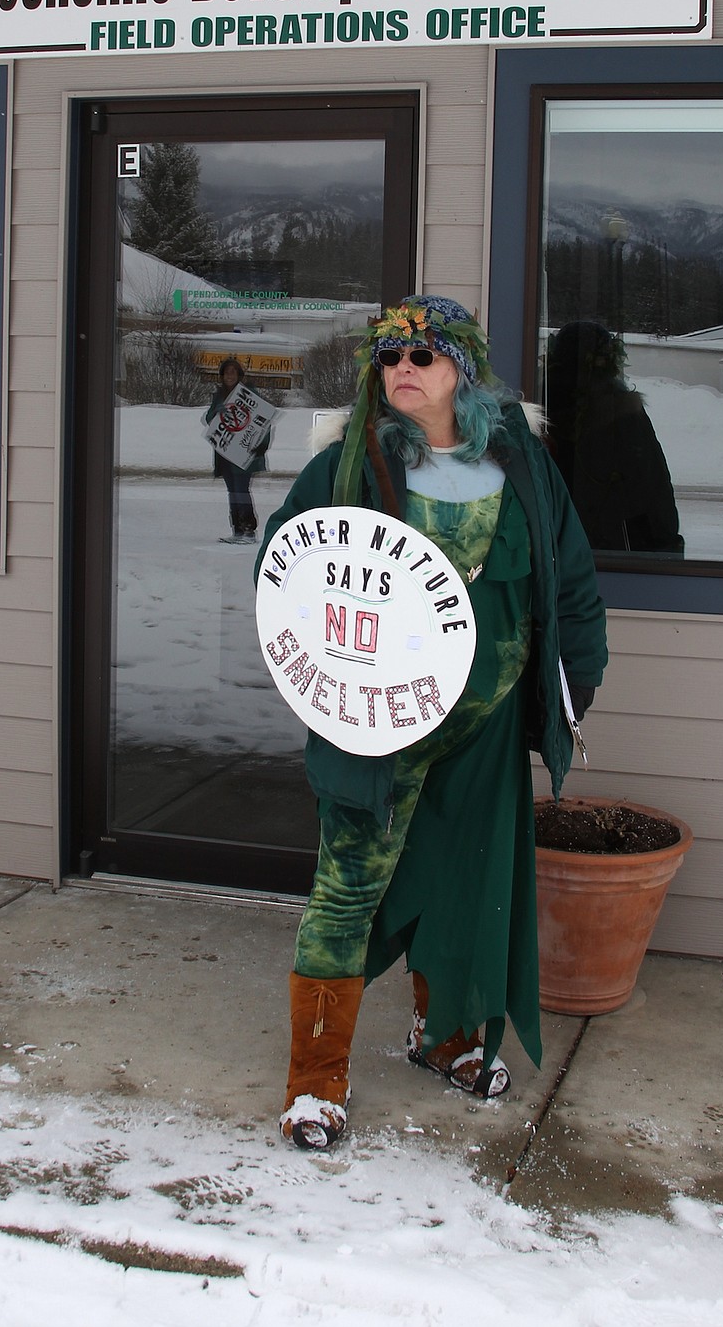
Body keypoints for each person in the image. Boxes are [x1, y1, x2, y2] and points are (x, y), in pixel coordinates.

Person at [255, 296, 607, 1150]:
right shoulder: (346, 466)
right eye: (389, 358)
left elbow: (570, 586)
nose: (402, 369)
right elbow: (286, 572)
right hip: (378, 729)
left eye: (423, 354)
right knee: (347, 890)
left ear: (463, 368)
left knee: (468, 883)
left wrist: (566, 695)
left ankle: (444, 1033)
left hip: (482, 731)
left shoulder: (521, 465)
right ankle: (316, 1080)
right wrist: (328, 683)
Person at [543, 321, 683, 555]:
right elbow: (651, 487)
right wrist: (664, 546)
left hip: (549, 546)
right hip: (610, 552)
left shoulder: (536, 407)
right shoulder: (623, 414)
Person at [205, 356, 270, 544]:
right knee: (233, 492)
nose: (229, 376)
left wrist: (260, 446)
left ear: (239, 375)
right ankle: (237, 530)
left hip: (244, 453)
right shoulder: (219, 396)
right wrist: (218, 410)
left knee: (241, 491)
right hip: (225, 453)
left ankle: (249, 531)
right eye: (226, 372)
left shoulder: (249, 394)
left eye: (233, 372)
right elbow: (209, 419)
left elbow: (263, 420)